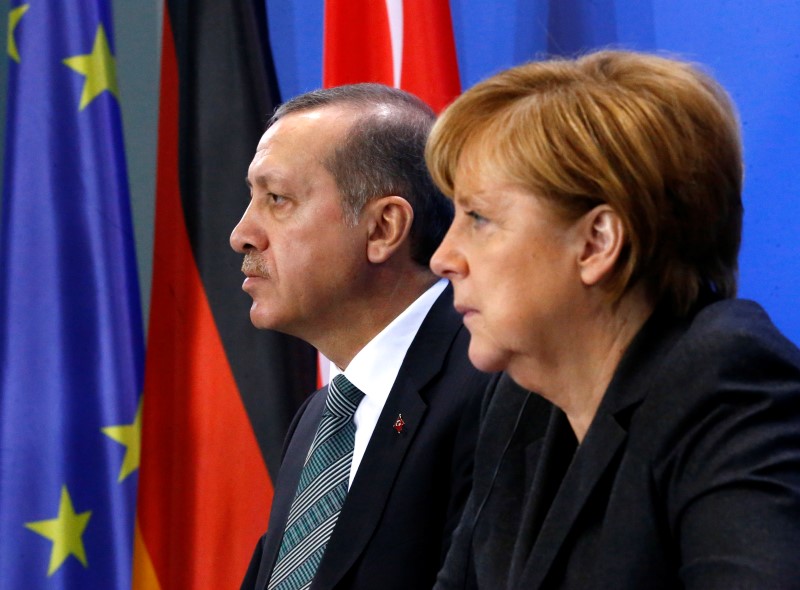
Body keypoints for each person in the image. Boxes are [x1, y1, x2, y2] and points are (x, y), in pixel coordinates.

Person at [427, 50, 800, 589]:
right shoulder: (519, 402)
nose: (443, 258)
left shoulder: (728, 383)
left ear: (596, 243)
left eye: (479, 218)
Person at [230, 83, 492, 590]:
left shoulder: (490, 386)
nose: (242, 233)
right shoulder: (320, 421)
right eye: (252, 198)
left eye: (277, 199)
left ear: (383, 228)